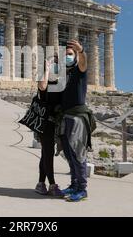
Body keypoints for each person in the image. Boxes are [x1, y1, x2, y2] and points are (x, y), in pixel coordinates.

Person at [55, 39, 93, 202]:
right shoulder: (64, 74)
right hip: (65, 117)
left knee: (78, 154)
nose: (67, 57)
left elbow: (84, 62)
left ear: (76, 56)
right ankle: (73, 184)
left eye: (70, 55)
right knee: (69, 154)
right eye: (65, 55)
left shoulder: (79, 70)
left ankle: (82, 189)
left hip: (77, 118)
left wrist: (81, 50)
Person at [35, 54, 64, 197]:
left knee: (46, 152)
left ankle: (40, 183)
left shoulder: (61, 82)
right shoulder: (45, 79)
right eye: (53, 64)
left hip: (56, 122)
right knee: (48, 152)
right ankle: (52, 184)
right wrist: (45, 69)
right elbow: (42, 86)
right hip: (45, 121)